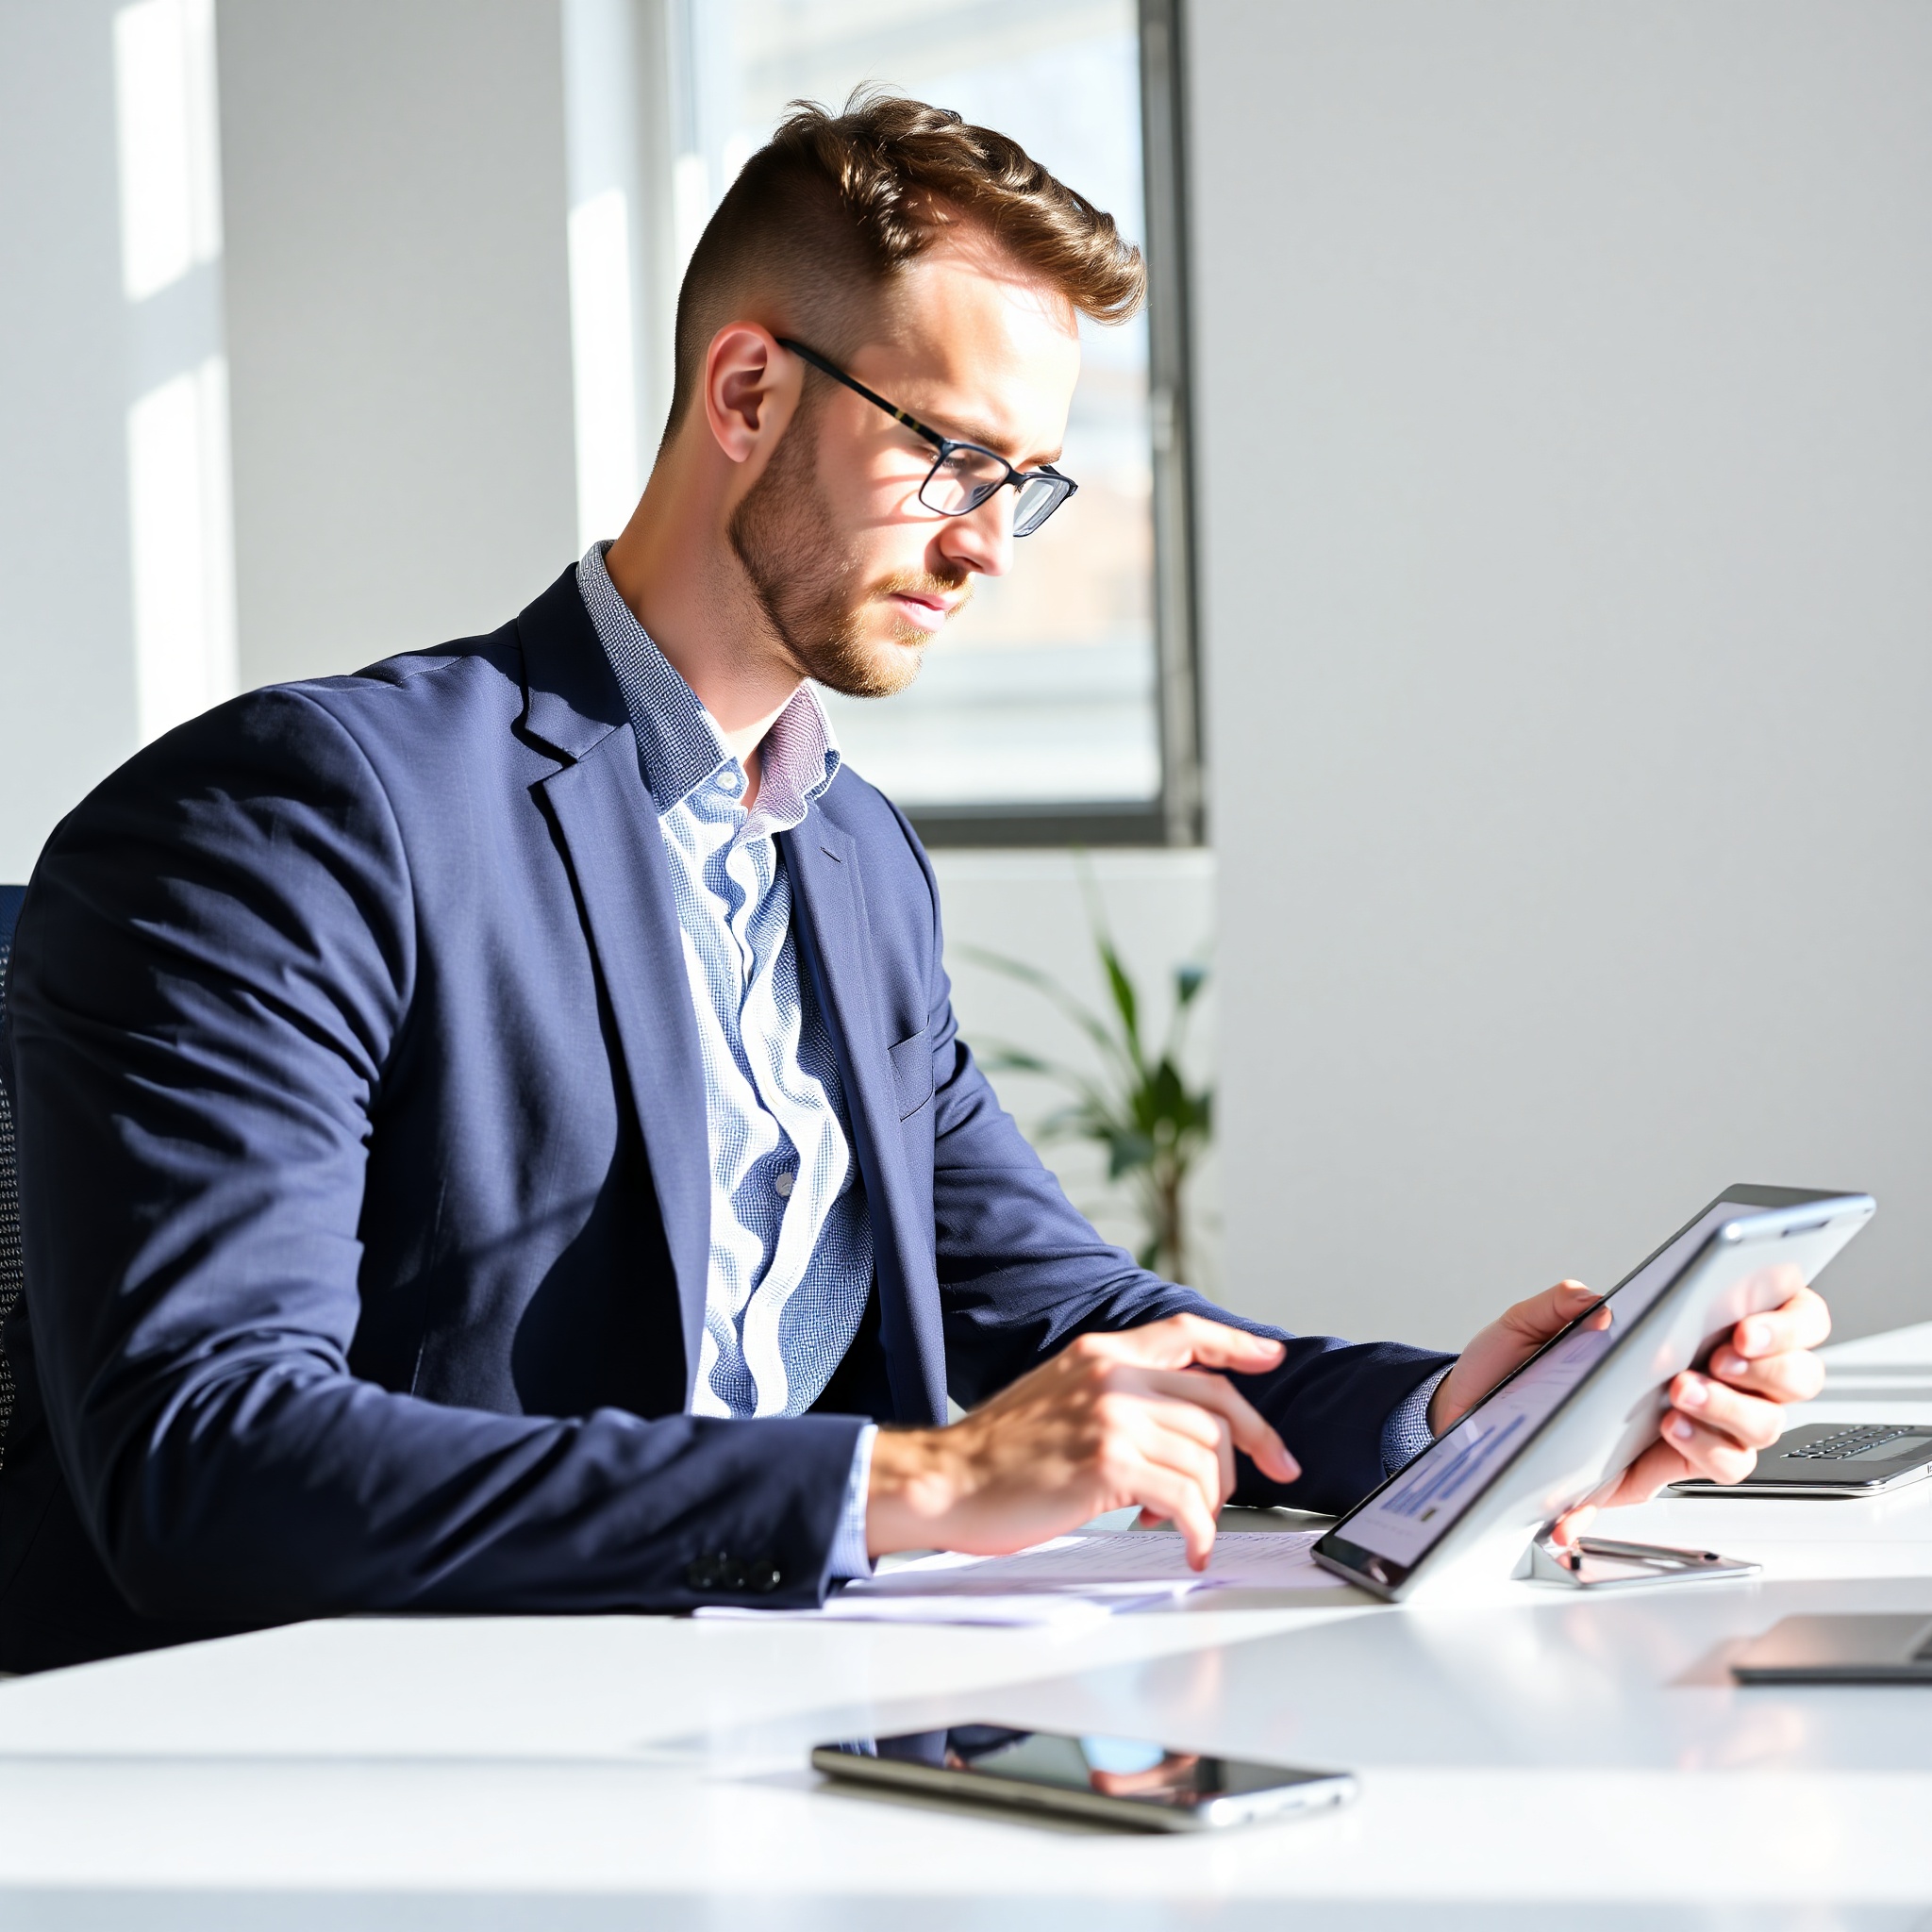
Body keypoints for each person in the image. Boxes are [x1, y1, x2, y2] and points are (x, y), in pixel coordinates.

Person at [0, 94, 1827, 1673]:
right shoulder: (299, 812)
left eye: (1019, 484)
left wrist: (1472, 1422)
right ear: (743, 389)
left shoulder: (847, 855)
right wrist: (913, 1485)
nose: (983, 545)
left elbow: (1059, 1314)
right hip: (335, 1747)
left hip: (738, 1700)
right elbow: (208, 1460)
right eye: (948, 455)